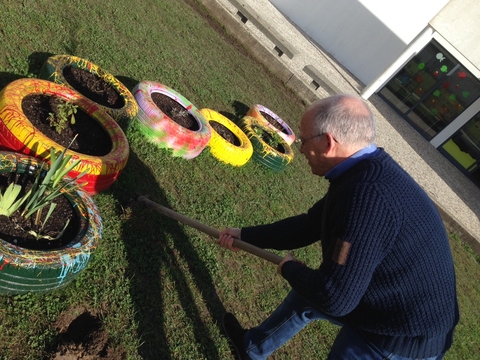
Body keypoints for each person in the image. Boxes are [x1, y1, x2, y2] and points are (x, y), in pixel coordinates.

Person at [217, 94, 459, 360]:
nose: (300, 148)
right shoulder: (361, 171)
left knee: (317, 290)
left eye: (304, 140)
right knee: (308, 293)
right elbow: (310, 225)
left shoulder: (367, 197)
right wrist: (246, 236)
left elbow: (334, 297)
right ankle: (251, 349)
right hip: (383, 302)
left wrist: (290, 269)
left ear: (329, 143)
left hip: (397, 335)